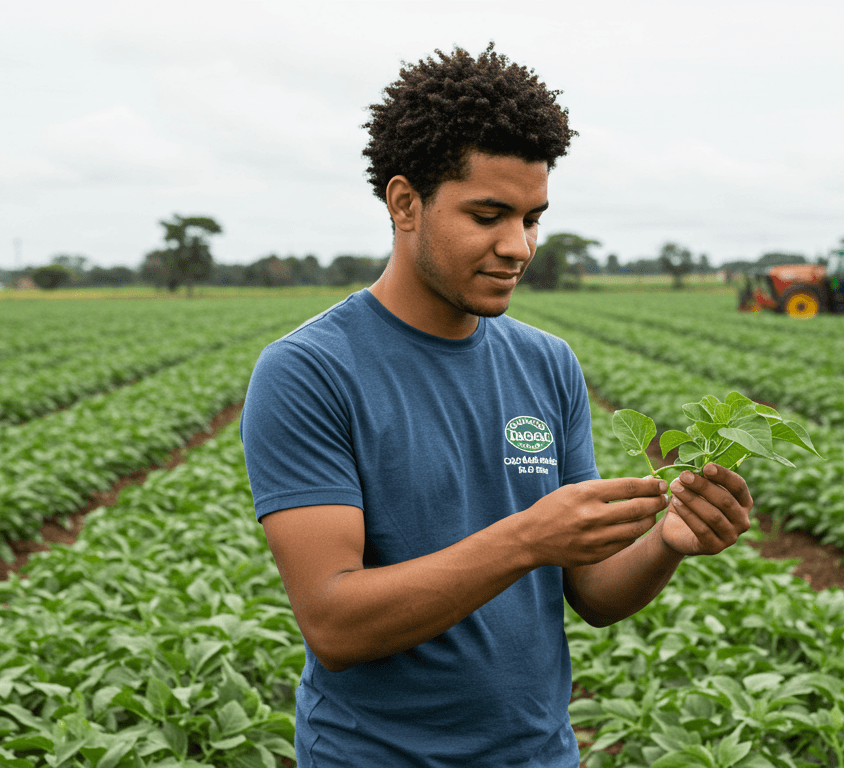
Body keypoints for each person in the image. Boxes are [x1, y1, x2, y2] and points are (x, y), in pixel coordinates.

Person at [240, 44, 753, 767]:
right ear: (404, 202)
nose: (518, 246)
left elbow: (594, 593)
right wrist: (526, 539)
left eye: (533, 218)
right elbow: (335, 623)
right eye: (488, 215)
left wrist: (667, 542)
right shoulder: (310, 372)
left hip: (537, 753)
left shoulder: (547, 363)